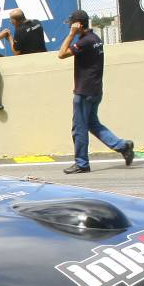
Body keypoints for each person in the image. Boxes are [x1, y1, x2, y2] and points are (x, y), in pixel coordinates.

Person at [56, 9, 134, 174]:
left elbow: (61, 54)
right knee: (93, 124)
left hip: (84, 92)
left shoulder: (85, 42)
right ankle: (123, 146)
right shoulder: (95, 38)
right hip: (95, 90)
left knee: (79, 129)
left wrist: (71, 35)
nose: (70, 26)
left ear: (79, 24)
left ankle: (82, 164)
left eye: (72, 24)